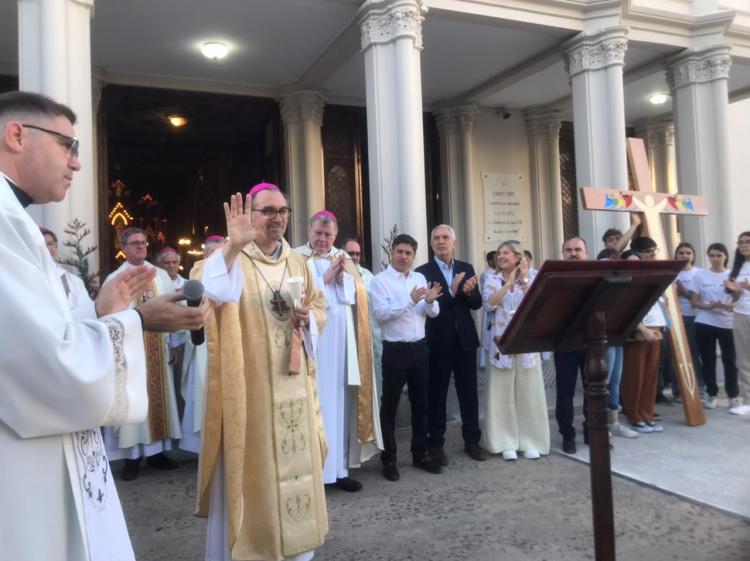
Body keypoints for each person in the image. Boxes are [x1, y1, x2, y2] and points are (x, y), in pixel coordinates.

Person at [0, 90, 208, 561]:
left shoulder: (16, 221)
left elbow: (33, 334)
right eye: (66, 145)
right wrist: (138, 320)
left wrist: (98, 314)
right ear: (16, 135)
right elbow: (45, 363)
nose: (76, 162)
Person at [198, 183, 328, 561]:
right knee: (257, 474)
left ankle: (297, 552)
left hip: (295, 385)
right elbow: (207, 292)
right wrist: (232, 247)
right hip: (251, 391)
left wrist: (309, 319)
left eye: (282, 210)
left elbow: (319, 306)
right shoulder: (233, 256)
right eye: (268, 211)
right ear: (251, 215)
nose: (277, 218)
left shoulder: (298, 261)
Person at [296, 211, 380, 493]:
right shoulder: (296, 258)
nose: (322, 239)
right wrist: (326, 278)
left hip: (342, 340)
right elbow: (296, 297)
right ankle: (313, 473)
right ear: (309, 232)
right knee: (316, 403)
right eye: (318, 234)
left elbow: (356, 298)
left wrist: (343, 278)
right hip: (314, 341)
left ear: (335, 235)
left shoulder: (343, 258)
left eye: (328, 235)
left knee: (341, 403)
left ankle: (340, 470)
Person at [103, 227, 183, 480]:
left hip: (159, 346)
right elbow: (106, 316)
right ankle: (132, 459)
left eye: (144, 242)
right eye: (135, 243)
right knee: (133, 400)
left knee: (159, 400)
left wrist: (174, 343)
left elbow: (172, 309)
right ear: (123, 247)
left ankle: (157, 454)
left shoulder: (159, 275)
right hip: (130, 351)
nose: (140, 246)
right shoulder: (115, 279)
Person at [370, 234, 443, 481]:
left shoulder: (419, 278)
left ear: (414, 256)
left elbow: (431, 313)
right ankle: (389, 459)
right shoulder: (380, 281)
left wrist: (430, 302)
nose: (403, 256)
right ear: (392, 252)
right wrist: (409, 301)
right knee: (389, 405)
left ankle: (420, 454)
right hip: (395, 350)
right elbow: (381, 315)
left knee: (421, 403)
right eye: (400, 251)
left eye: (408, 253)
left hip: (419, 348)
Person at [415, 224, 485, 465]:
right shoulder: (422, 272)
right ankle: (435, 444)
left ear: (454, 243)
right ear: (431, 244)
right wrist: (453, 292)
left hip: (465, 340)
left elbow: (476, 303)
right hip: (437, 342)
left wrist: (469, 292)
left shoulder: (466, 268)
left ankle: (472, 441)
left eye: (446, 237)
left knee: (469, 393)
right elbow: (428, 308)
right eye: (436, 238)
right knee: (437, 394)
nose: (441, 241)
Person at [480, 240, 549, 460]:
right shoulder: (491, 278)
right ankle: (504, 442)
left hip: (527, 343)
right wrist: (507, 284)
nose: (501, 256)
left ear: (518, 257)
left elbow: (537, 303)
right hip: (501, 343)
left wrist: (524, 279)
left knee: (529, 392)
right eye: (499, 253)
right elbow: (489, 304)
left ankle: (531, 441)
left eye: (506, 253)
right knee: (501, 394)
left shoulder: (534, 276)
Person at [179, 235, 226, 454]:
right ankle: (202, 444)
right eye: (212, 252)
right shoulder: (198, 271)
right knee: (203, 387)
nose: (216, 256)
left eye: (221, 252)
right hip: (205, 339)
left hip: (229, 338)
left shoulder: (234, 269)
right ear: (205, 254)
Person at [621, 236, 667, 433]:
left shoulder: (651, 277)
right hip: (637, 334)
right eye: (630, 263)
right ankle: (634, 416)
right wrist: (643, 329)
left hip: (656, 330)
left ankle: (647, 415)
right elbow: (625, 309)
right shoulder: (626, 282)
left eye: (636, 262)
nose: (634, 266)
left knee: (650, 378)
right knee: (635, 377)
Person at [596, 248, 639, 439]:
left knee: (615, 380)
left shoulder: (622, 284)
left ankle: (613, 422)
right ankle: (600, 422)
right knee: (602, 382)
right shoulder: (599, 285)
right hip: (602, 337)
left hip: (617, 336)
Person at [689, 243, 738, 409]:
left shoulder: (732, 275)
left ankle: (733, 395)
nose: (715, 259)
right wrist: (707, 306)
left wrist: (731, 303)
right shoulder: (700, 275)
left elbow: (739, 299)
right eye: (712, 255)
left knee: (729, 360)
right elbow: (694, 301)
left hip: (727, 322)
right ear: (708, 257)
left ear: (725, 256)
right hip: (705, 321)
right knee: (708, 359)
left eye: (719, 255)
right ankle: (712, 394)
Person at [554, 236, 589, 454]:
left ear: (586, 253)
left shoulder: (596, 275)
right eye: (569, 250)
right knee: (565, 393)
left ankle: (592, 430)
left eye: (578, 249)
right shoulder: (556, 277)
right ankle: (567, 435)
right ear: (563, 253)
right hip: (565, 343)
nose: (573, 253)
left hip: (591, 342)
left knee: (594, 391)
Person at [343, 237, 383, 398]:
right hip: (346, 333)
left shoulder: (368, 276)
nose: (354, 257)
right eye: (350, 253)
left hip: (367, 333)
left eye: (357, 254)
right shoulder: (336, 273)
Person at [157, 246, 189, 417]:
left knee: (184, 382)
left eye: (174, 262)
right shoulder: (156, 285)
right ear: (160, 265)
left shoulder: (188, 284)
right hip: (163, 341)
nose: (171, 266)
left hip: (186, 341)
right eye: (167, 263)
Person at [673, 242, 706, 402]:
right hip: (676, 317)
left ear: (693, 255)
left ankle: (699, 388)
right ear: (676, 255)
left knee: (693, 353)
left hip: (695, 316)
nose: (685, 256)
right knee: (676, 354)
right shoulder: (673, 273)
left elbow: (699, 297)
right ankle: (678, 390)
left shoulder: (700, 273)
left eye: (688, 253)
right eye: (681, 253)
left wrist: (683, 292)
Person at [726, 231, 750, 415]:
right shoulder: (737, 267)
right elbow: (736, 296)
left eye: (747, 241)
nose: (743, 245)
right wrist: (734, 291)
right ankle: (748, 400)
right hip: (741, 314)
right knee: (743, 359)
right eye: (740, 242)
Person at [41, 226, 92, 310]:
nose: (47, 249)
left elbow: (85, 310)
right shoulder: (31, 278)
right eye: (42, 245)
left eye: (50, 244)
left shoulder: (74, 281)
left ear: (56, 247)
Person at [479, 250, 497, 369]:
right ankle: (484, 363)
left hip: (499, 310)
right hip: (490, 308)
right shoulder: (486, 275)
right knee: (488, 335)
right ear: (490, 261)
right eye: (496, 259)